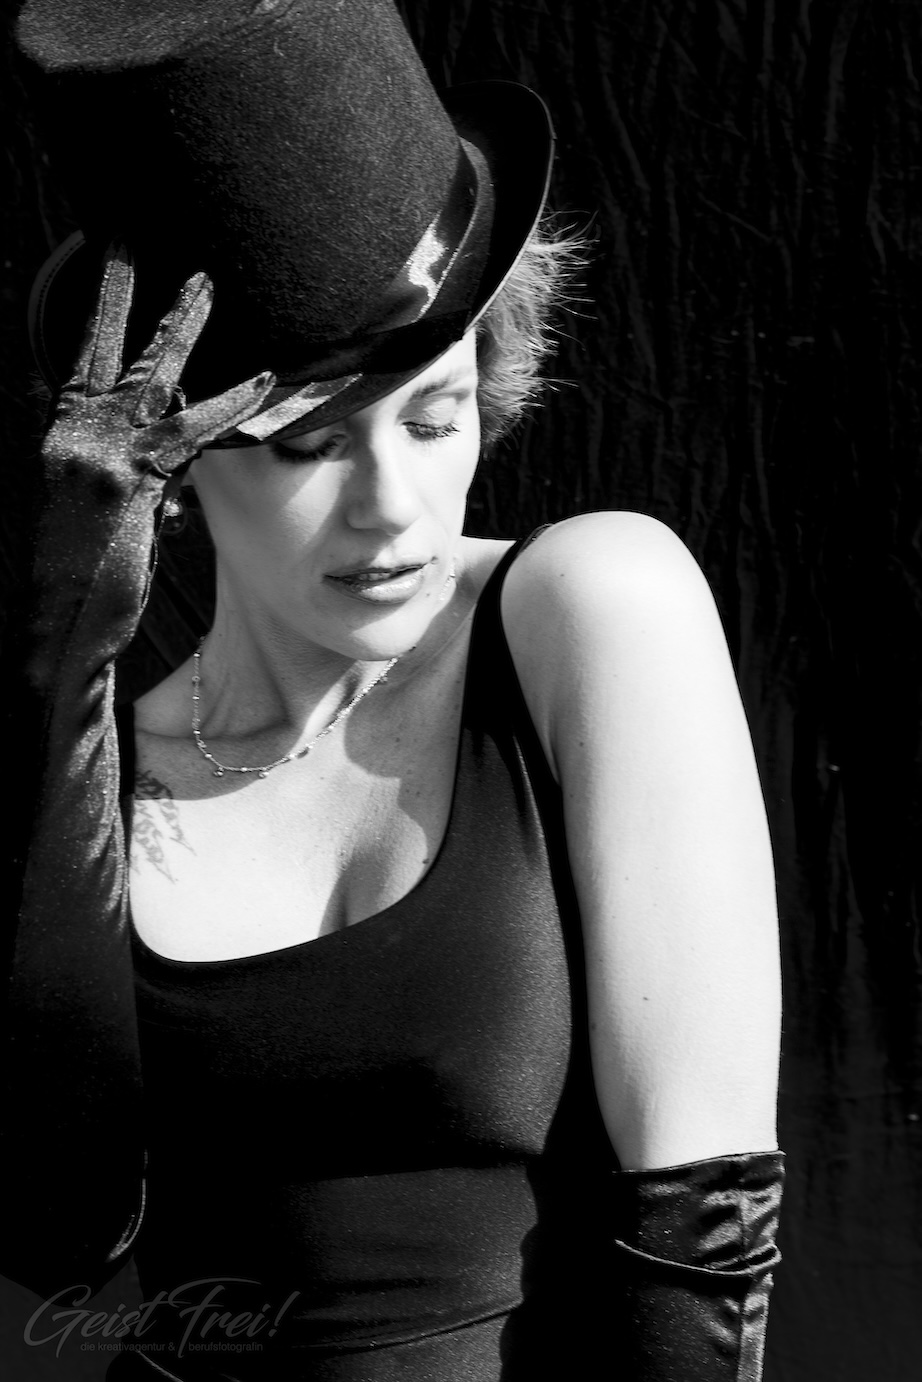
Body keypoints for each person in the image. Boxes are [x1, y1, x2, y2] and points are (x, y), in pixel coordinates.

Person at [4, 1, 784, 1379]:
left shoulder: (593, 606)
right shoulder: (104, 769)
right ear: (171, 466)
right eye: (309, 447)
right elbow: (56, 1227)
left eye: (435, 416)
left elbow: (700, 1243)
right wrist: (61, 663)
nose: (393, 507)